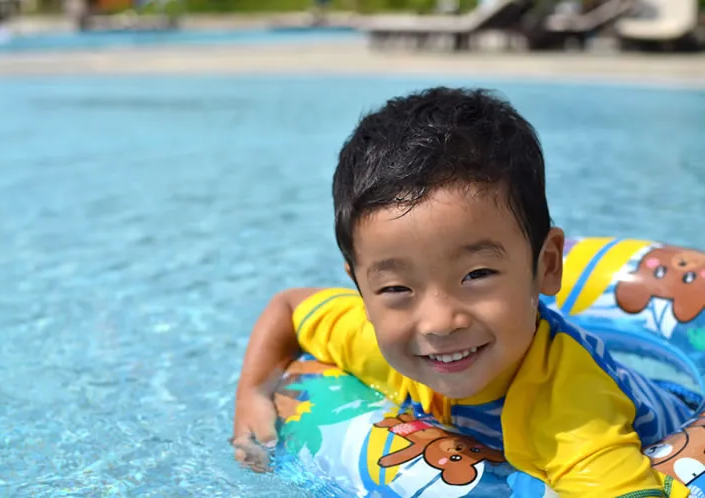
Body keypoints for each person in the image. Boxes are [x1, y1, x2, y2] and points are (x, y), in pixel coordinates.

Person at [230, 87, 693, 497]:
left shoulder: (572, 414)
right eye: (394, 287)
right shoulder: (375, 340)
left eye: (476, 275)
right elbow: (290, 307)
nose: (438, 322)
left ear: (547, 265)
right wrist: (252, 393)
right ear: (361, 290)